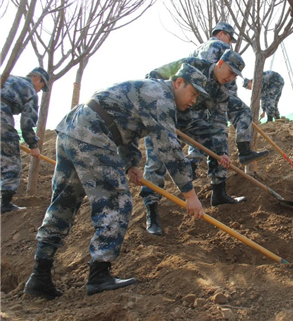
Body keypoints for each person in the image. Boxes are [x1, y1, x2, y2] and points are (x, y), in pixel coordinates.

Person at [24, 64, 209, 299]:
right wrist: (190, 195)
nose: (194, 101)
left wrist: (131, 163)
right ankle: (99, 275)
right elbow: (169, 147)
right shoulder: (161, 97)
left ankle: (39, 276)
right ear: (178, 82)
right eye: (193, 93)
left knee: (63, 203)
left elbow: (124, 126)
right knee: (117, 203)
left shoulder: (147, 90)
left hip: (73, 129)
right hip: (93, 135)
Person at [142, 50, 249, 235]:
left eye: (235, 76)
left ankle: (218, 190)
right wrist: (162, 105)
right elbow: (152, 76)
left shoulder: (220, 92)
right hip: (162, 115)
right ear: (220, 63)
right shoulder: (191, 64)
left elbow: (216, 124)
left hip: (188, 119)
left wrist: (219, 152)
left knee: (211, 139)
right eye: (230, 72)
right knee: (157, 161)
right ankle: (151, 212)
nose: (231, 78)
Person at [188, 22, 268, 165]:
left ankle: (191, 171)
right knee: (241, 112)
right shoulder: (222, 48)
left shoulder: (196, 50)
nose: (230, 43)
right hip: (214, 96)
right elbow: (226, 81)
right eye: (230, 38)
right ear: (220, 34)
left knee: (199, 138)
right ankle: (244, 151)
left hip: (193, 98)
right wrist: (232, 100)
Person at [1, 67, 49, 213]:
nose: (40, 90)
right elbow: (27, 122)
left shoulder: (8, 78)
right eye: (42, 86)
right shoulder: (29, 89)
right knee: (11, 160)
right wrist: (33, 145)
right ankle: (4, 203)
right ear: (37, 78)